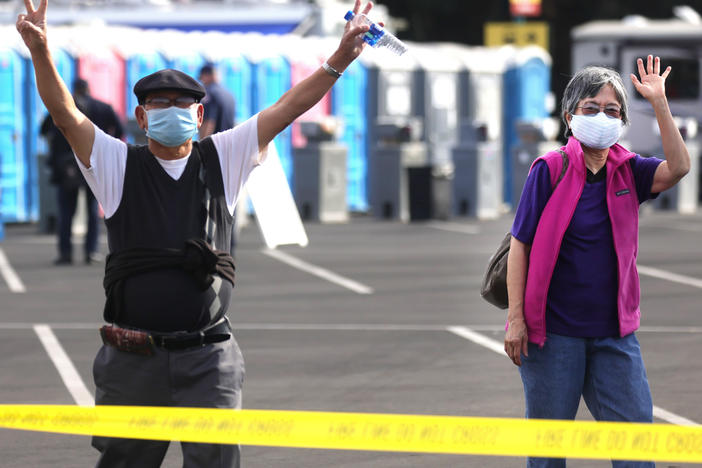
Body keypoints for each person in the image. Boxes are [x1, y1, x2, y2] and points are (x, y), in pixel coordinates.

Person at [17, 0, 373, 466]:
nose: (171, 110)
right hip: (132, 359)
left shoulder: (222, 156)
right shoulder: (117, 164)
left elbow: (287, 108)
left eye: (182, 104)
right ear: (141, 119)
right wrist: (42, 51)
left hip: (209, 359)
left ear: (200, 114)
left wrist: (339, 60)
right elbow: (66, 115)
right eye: (158, 104)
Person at [504, 57, 690, 468]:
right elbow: (521, 245)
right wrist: (516, 318)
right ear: (570, 116)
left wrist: (658, 102)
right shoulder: (549, 169)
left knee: (637, 453)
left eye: (612, 110)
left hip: (614, 337)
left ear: (622, 120)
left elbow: (678, 168)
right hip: (553, 337)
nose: (602, 117)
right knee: (549, 454)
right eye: (591, 108)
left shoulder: (629, 171)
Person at [41, 78, 123, 265]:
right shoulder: (103, 107)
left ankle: (65, 253)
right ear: (88, 89)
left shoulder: (63, 109)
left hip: (66, 168)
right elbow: (119, 129)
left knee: (66, 212)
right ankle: (91, 252)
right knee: (92, 212)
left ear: (74, 90)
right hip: (93, 164)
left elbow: (43, 130)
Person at [198, 63, 238, 255]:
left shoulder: (210, 94)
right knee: (230, 197)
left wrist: (199, 147)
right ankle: (231, 243)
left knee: (212, 199)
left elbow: (209, 122)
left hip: (214, 152)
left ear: (205, 76)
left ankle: (215, 244)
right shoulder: (228, 94)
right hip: (230, 151)